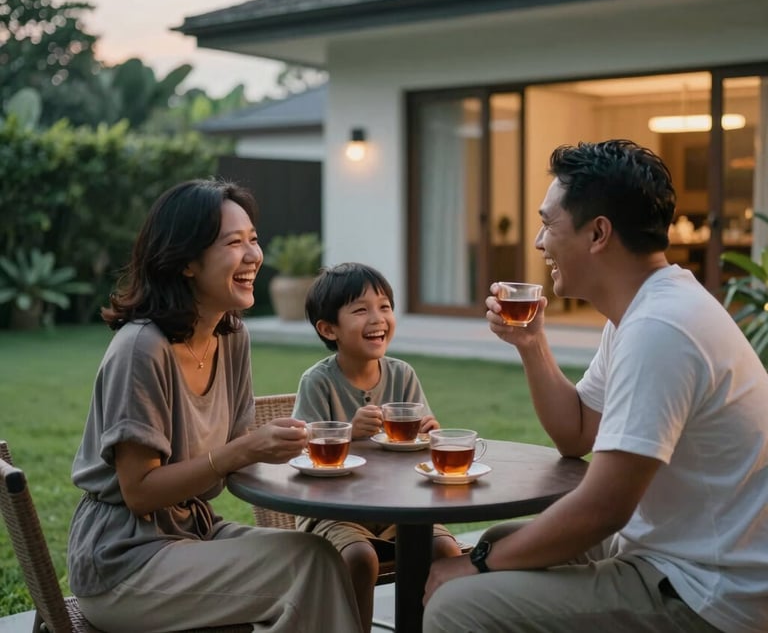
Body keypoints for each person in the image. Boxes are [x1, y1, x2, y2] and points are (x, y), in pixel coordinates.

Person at [423, 139, 768, 633]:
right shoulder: (644, 310)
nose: (539, 242)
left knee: (456, 605)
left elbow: (604, 507)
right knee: (497, 540)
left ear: (599, 233)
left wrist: (475, 566)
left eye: (548, 225)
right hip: (671, 550)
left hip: (707, 592)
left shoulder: (661, 329)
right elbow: (577, 432)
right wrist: (532, 344)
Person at [67, 179, 362, 633]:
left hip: (192, 531)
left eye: (253, 239)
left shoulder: (231, 335)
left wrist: (288, 448)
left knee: (321, 557)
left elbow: (238, 449)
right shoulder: (141, 349)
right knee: (305, 568)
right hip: (123, 560)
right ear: (187, 261)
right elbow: (140, 492)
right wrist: (242, 451)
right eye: (233, 243)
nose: (253, 256)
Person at [293, 262, 462, 632]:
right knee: (360, 558)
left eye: (385, 306)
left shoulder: (402, 375)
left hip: (400, 508)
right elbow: (300, 455)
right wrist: (349, 434)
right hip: (333, 512)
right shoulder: (317, 383)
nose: (377, 318)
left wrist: (430, 436)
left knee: (447, 552)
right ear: (328, 329)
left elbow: (421, 451)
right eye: (361, 310)